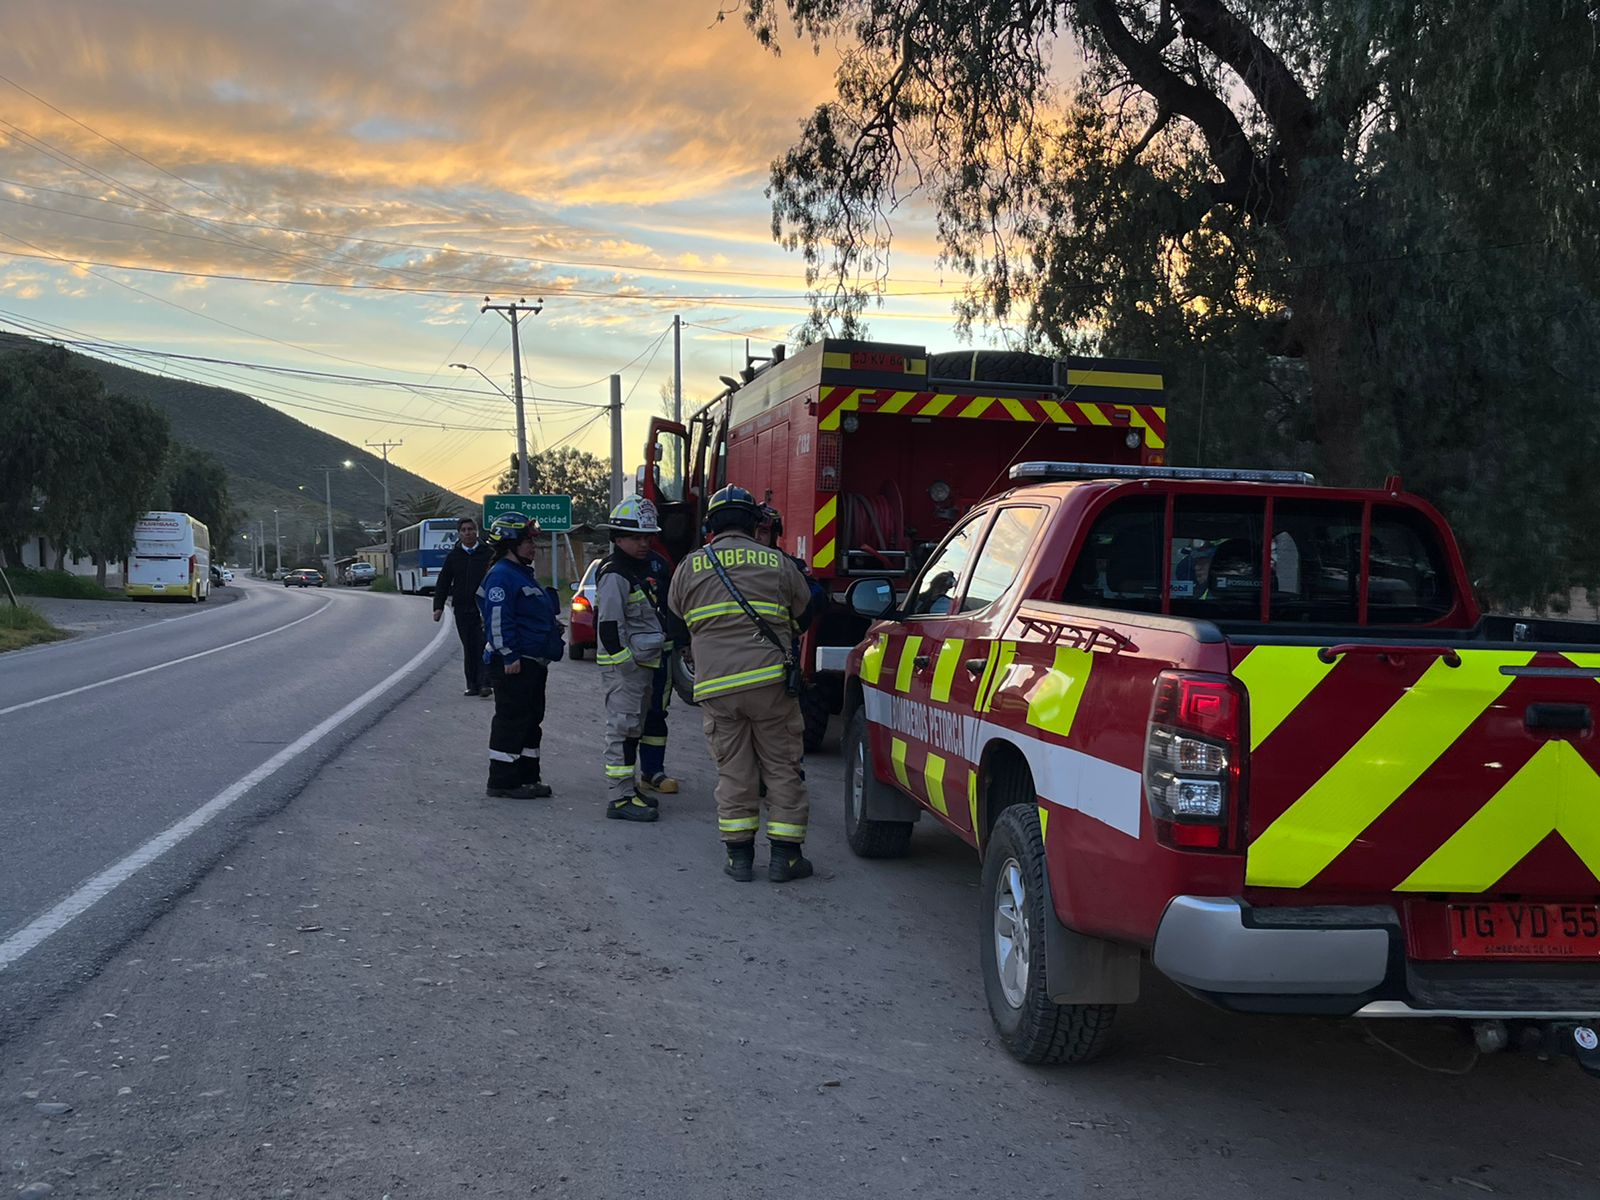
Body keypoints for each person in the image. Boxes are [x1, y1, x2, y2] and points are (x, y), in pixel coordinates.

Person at [668, 485, 814, 882]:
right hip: (770, 684)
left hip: (717, 688)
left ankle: (740, 859)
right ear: (754, 523)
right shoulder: (777, 563)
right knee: (782, 767)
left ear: (711, 525)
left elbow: (677, 619)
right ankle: (786, 857)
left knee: (734, 771)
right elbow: (804, 612)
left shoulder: (690, 566)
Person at [477, 514, 563, 800]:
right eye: (527, 541)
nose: (532, 546)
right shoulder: (502, 575)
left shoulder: (522, 574)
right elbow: (498, 620)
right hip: (515, 663)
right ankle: (502, 781)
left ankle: (527, 777)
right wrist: (509, 655)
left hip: (533, 663)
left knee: (530, 721)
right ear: (510, 544)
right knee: (511, 721)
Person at [596, 495, 669, 824]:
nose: (644, 544)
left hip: (641, 667)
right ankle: (619, 797)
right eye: (637, 537)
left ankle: (628, 789)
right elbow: (610, 628)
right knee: (622, 730)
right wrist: (626, 668)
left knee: (633, 731)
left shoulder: (637, 570)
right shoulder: (615, 574)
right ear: (617, 538)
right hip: (626, 669)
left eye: (647, 537)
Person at [433, 516, 495, 696]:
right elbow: (444, 581)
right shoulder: (454, 556)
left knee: (483, 644)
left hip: (483, 608)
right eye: (464, 530)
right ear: (459, 534)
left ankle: (485, 684)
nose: (468, 533)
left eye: (470, 529)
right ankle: (472, 684)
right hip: (462, 608)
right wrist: (438, 606)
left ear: (476, 531)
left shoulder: (488, 553)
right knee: (468, 647)